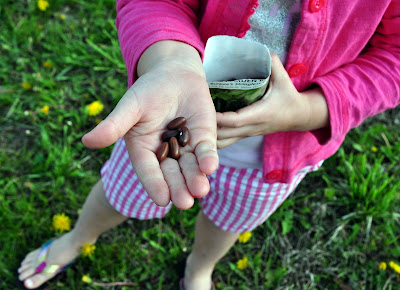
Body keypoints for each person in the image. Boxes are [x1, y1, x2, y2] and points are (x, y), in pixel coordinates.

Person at [18, 0, 400, 289]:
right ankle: (79, 236)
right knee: (118, 192)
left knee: (228, 222)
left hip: (279, 154)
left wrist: (308, 110)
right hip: (173, 117)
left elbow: (393, 57)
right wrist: (170, 60)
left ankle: (200, 266)